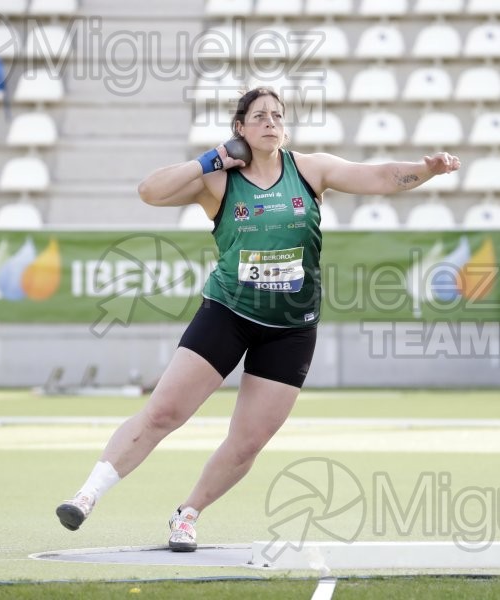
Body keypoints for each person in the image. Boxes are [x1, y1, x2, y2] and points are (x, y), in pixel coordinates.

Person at [55, 87, 461, 552]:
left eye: (277, 115)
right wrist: (212, 159)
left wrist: (426, 170)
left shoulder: (310, 170)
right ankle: (86, 496)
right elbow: (150, 192)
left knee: (248, 441)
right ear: (240, 128)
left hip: (291, 327)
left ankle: (187, 515)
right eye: (259, 116)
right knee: (165, 412)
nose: (270, 121)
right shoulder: (218, 180)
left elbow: (381, 177)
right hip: (227, 314)